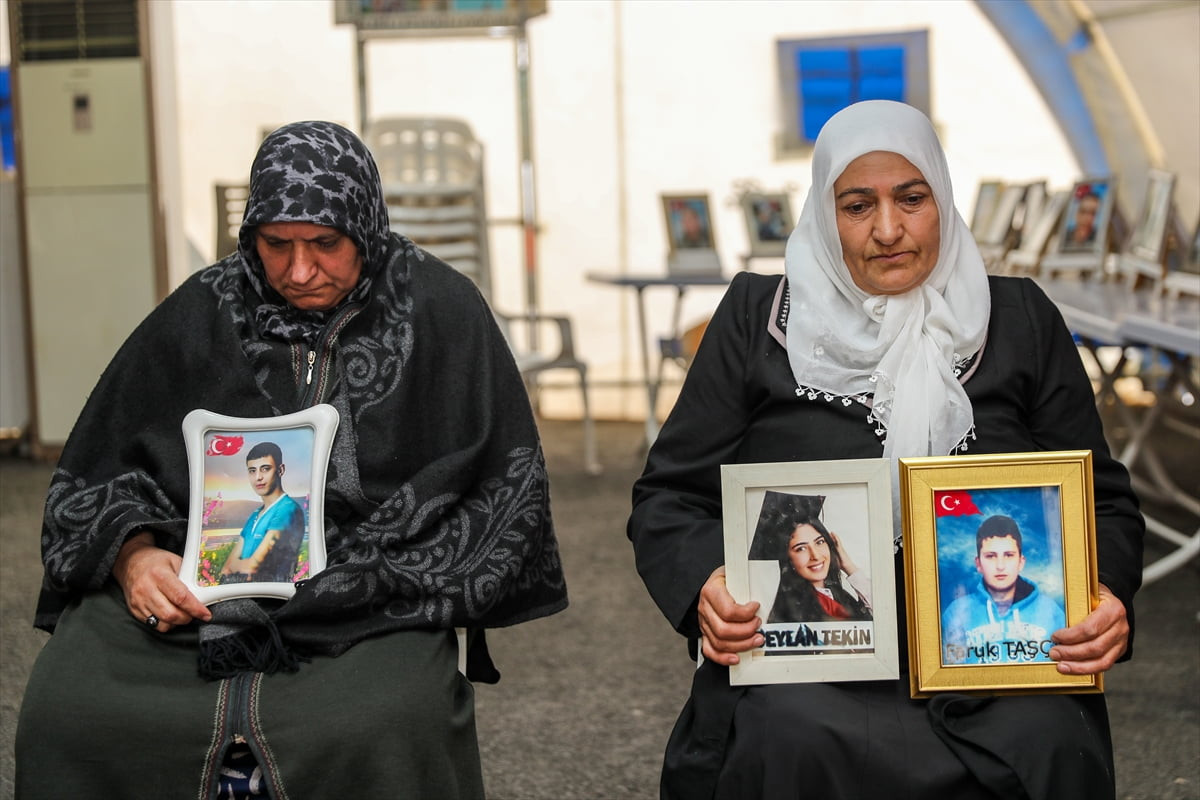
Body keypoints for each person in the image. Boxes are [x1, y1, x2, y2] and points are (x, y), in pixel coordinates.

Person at [16, 121, 568, 799]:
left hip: (373, 599)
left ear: (364, 227)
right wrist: (134, 557)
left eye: (326, 244)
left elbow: (498, 493)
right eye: (276, 245)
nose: (300, 270)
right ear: (251, 236)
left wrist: (364, 570)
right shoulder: (203, 309)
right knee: (69, 707)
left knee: (382, 721)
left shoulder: (442, 312)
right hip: (196, 593)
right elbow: (102, 471)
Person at [628, 101, 1142, 799]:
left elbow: (1103, 502)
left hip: (994, 657)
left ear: (943, 197)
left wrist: (1103, 593)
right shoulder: (758, 318)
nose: (888, 230)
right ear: (823, 216)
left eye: (911, 198)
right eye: (857, 205)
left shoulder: (1019, 318)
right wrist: (704, 588)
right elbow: (670, 495)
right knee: (790, 737)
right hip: (811, 663)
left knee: (1046, 738)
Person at [941, 514, 1066, 666]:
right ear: (978, 563)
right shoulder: (957, 612)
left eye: (1008, 555)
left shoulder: (1050, 611)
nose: (1000, 565)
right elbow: (950, 674)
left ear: (1021, 562)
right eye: (991, 556)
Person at [749, 493, 870, 624]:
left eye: (819, 542)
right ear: (789, 560)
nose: (816, 556)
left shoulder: (840, 597)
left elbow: (884, 617)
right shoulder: (792, 614)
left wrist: (848, 565)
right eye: (801, 548)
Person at [219, 441, 306, 584]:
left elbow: (251, 569)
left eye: (265, 469)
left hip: (271, 599)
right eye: (252, 471)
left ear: (280, 470)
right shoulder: (255, 514)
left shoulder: (287, 509)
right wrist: (238, 566)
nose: (258, 477)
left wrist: (238, 566)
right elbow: (226, 569)